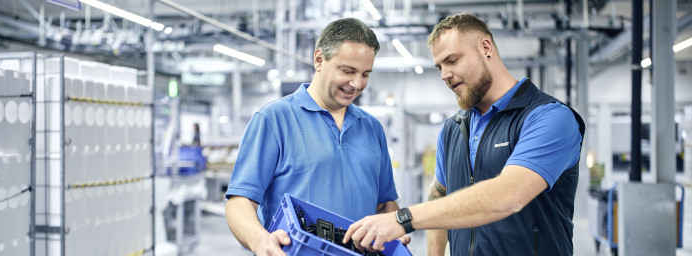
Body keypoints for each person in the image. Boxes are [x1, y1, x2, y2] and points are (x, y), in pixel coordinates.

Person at [343, 12, 585, 255]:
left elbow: (509, 195)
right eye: (440, 66)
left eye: (453, 60)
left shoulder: (549, 118)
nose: (444, 75)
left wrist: (402, 219)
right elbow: (439, 194)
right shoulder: (453, 129)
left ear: (486, 48)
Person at [224, 17, 408, 256]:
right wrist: (260, 240)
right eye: (348, 71)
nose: (356, 83)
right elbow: (240, 202)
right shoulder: (274, 119)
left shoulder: (372, 127)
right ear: (319, 59)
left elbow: (385, 203)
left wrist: (395, 229)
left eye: (365, 74)